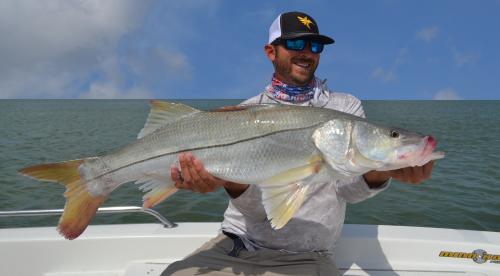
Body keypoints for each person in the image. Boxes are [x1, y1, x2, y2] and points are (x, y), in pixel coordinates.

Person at [162, 11, 434, 276]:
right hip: (234, 246)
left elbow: (348, 191)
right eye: (294, 43)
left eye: (315, 46)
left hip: (305, 258)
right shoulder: (245, 112)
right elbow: (258, 212)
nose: (306, 52)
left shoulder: (345, 108)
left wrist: (380, 172)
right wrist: (229, 182)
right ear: (271, 51)